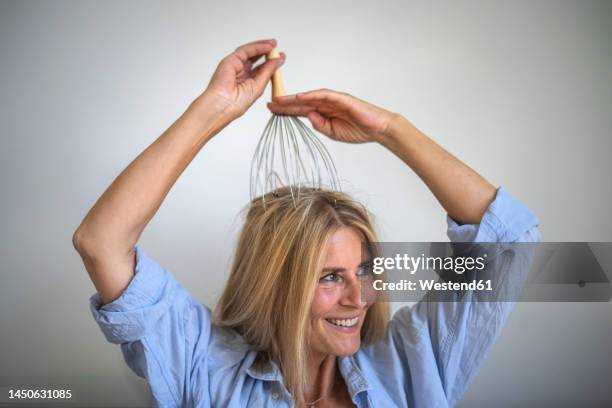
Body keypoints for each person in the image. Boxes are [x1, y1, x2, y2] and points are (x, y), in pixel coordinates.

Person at [73, 39, 540, 407]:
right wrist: (214, 107)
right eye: (331, 276)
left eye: (363, 269)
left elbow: (509, 240)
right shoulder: (203, 366)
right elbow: (101, 242)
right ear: (275, 284)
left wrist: (389, 130)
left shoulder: (410, 364)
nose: (359, 297)